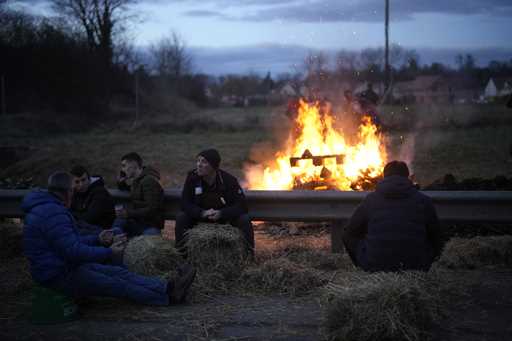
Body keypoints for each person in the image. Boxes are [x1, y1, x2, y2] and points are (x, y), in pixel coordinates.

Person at [22, 171, 196, 306]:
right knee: (116, 284)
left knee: (118, 272)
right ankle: (168, 298)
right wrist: (107, 252)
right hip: (56, 275)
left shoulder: (48, 208)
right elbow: (73, 251)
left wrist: (98, 239)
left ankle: (167, 287)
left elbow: (70, 242)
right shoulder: (53, 213)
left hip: (64, 266)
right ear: (67, 192)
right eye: (72, 191)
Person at [342, 161, 442, 272]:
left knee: (350, 234)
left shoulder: (371, 200)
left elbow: (350, 232)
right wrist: (426, 260)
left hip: (375, 266)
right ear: (408, 177)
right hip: (416, 267)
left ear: (384, 176)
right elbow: (436, 236)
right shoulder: (424, 200)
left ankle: (366, 267)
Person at [175, 148, 255, 253]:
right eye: (198, 161)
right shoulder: (192, 178)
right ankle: (182, 255)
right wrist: (201, 213)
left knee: (244, 219)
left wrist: (222, 213)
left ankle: (248, 255)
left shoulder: (229, 180)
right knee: (182, 217)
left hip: (224, 218)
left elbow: (242, 206)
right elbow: (185, 203)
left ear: (213, 166)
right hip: (201, 216)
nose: (199, 165)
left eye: (204, 162)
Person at [114, 152, 165, 237]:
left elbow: (152, 209)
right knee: (118, 222)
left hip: (150, 226)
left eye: (124, 166)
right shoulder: (137, 180)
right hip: (139, 223)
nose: (122, 169)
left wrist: (128, 213)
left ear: (134, 165)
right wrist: (121, 182)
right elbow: (133, 190)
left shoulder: (148, 181)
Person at [70, 165, 115, 233]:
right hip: (88, 227)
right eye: (77, 182)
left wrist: (71, 215)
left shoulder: (99, 192)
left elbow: (90, 218)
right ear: (72, 183)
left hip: (103, 230)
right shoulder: (74, 193)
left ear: (89, 179)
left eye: (83, 180)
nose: (81, 184)